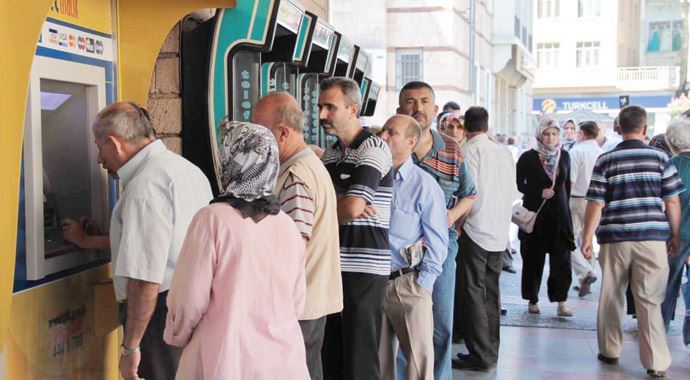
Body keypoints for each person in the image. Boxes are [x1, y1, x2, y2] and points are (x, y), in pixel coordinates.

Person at [164, 121, 309, 379]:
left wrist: (177, 334)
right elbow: (297, 301)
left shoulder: (212, 219)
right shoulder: (286, 224)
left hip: (226, 358)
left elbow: (189, 298)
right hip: (285, 361)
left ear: (232, 160)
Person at [89, 101, 213, 380]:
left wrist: (130, 347)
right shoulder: (184, 170)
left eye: (99, 147)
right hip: (191, 305)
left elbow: (145, 281)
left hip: (157, 318)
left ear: (114, 143)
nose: (99, 158)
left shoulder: (145, 188)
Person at [582, 105, 684, 378]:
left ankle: (610, 349)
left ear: (618, 127)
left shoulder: (606, 160)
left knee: (611, 294)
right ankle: (656, 362)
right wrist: (675, 234)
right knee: (650, 299)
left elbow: (595, 202)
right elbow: (672, 200)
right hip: (651, 238)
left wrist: (586, 237)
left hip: (615, 238)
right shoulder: (660, 158)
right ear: (645, 129)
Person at [252, 92, 343, 380]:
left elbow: (292, 250)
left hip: (299, 308)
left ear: (282, 133)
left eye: (258, 131)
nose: (253, 141)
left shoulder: (295, 175)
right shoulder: (308, 165)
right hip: (312, 299)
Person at [397, 81, 476, 380]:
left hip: (441, 250)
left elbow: (470, 193)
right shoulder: (390, 147)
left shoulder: (452, 149)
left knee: (441, 324)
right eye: (410, 101)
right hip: (399, 256)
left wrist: (450, 215)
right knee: (401, 323)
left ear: (435, 107)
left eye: (424, 101)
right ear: (399, 108)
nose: (418, 108)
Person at [319, 77, 394, 379]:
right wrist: (344, 202)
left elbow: (348, 208)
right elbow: (327, 203)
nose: (323, 114)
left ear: (353, 109)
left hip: (363, 269)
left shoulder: (374, 148)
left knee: (359, 359)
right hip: (334, 264)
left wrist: (341, 203)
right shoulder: (332, 153)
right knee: (332, 355)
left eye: (330, 107)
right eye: (321, 106)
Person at [377, 115, 448, 380]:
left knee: (419, 365)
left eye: (391, 132)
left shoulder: (424, 185)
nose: (383, 136)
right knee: (378, 363)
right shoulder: (372, 177)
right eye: (384, 130)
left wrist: (423, 284)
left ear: (410, 141)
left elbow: (437, 240)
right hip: (374, 282)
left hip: (408, 283)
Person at [452, 106, 517, 371]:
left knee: (473, 293)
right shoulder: (502, 152)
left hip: (475, 230)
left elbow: (469, 194)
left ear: (466, 126)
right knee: (491, 293)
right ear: (487, 126)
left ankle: (480, 354)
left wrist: (458, 225)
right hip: (499, 232)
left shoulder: (469, 151)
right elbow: (512, 191)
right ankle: (491, 350)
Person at [516, 117, 575, 317]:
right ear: (540, 135)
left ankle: (562, 301)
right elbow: (519, 185)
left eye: (554, 134)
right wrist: (538, 192)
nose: (550, 138)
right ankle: (532, 299)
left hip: (559, 217)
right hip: (536, 216)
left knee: (562, 261)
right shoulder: (527, 157)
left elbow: (566, 188)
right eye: (546, 134)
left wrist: (569, 217)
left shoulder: (565, 156)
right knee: (533, 260)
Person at [568, 121, 603, 297]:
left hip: (577, 200)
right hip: (598, 201)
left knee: (569, 240)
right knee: (588, 240)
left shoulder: (576, 152)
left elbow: (570, 181)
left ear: (582, 133)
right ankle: (586, 279)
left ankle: (585, 272)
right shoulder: (603, 153)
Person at [661, 119, 690, 330]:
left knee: (667, 283)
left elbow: (664, 203)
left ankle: (660, 327)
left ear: (671, 141)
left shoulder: (669, 165)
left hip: (674, 234)